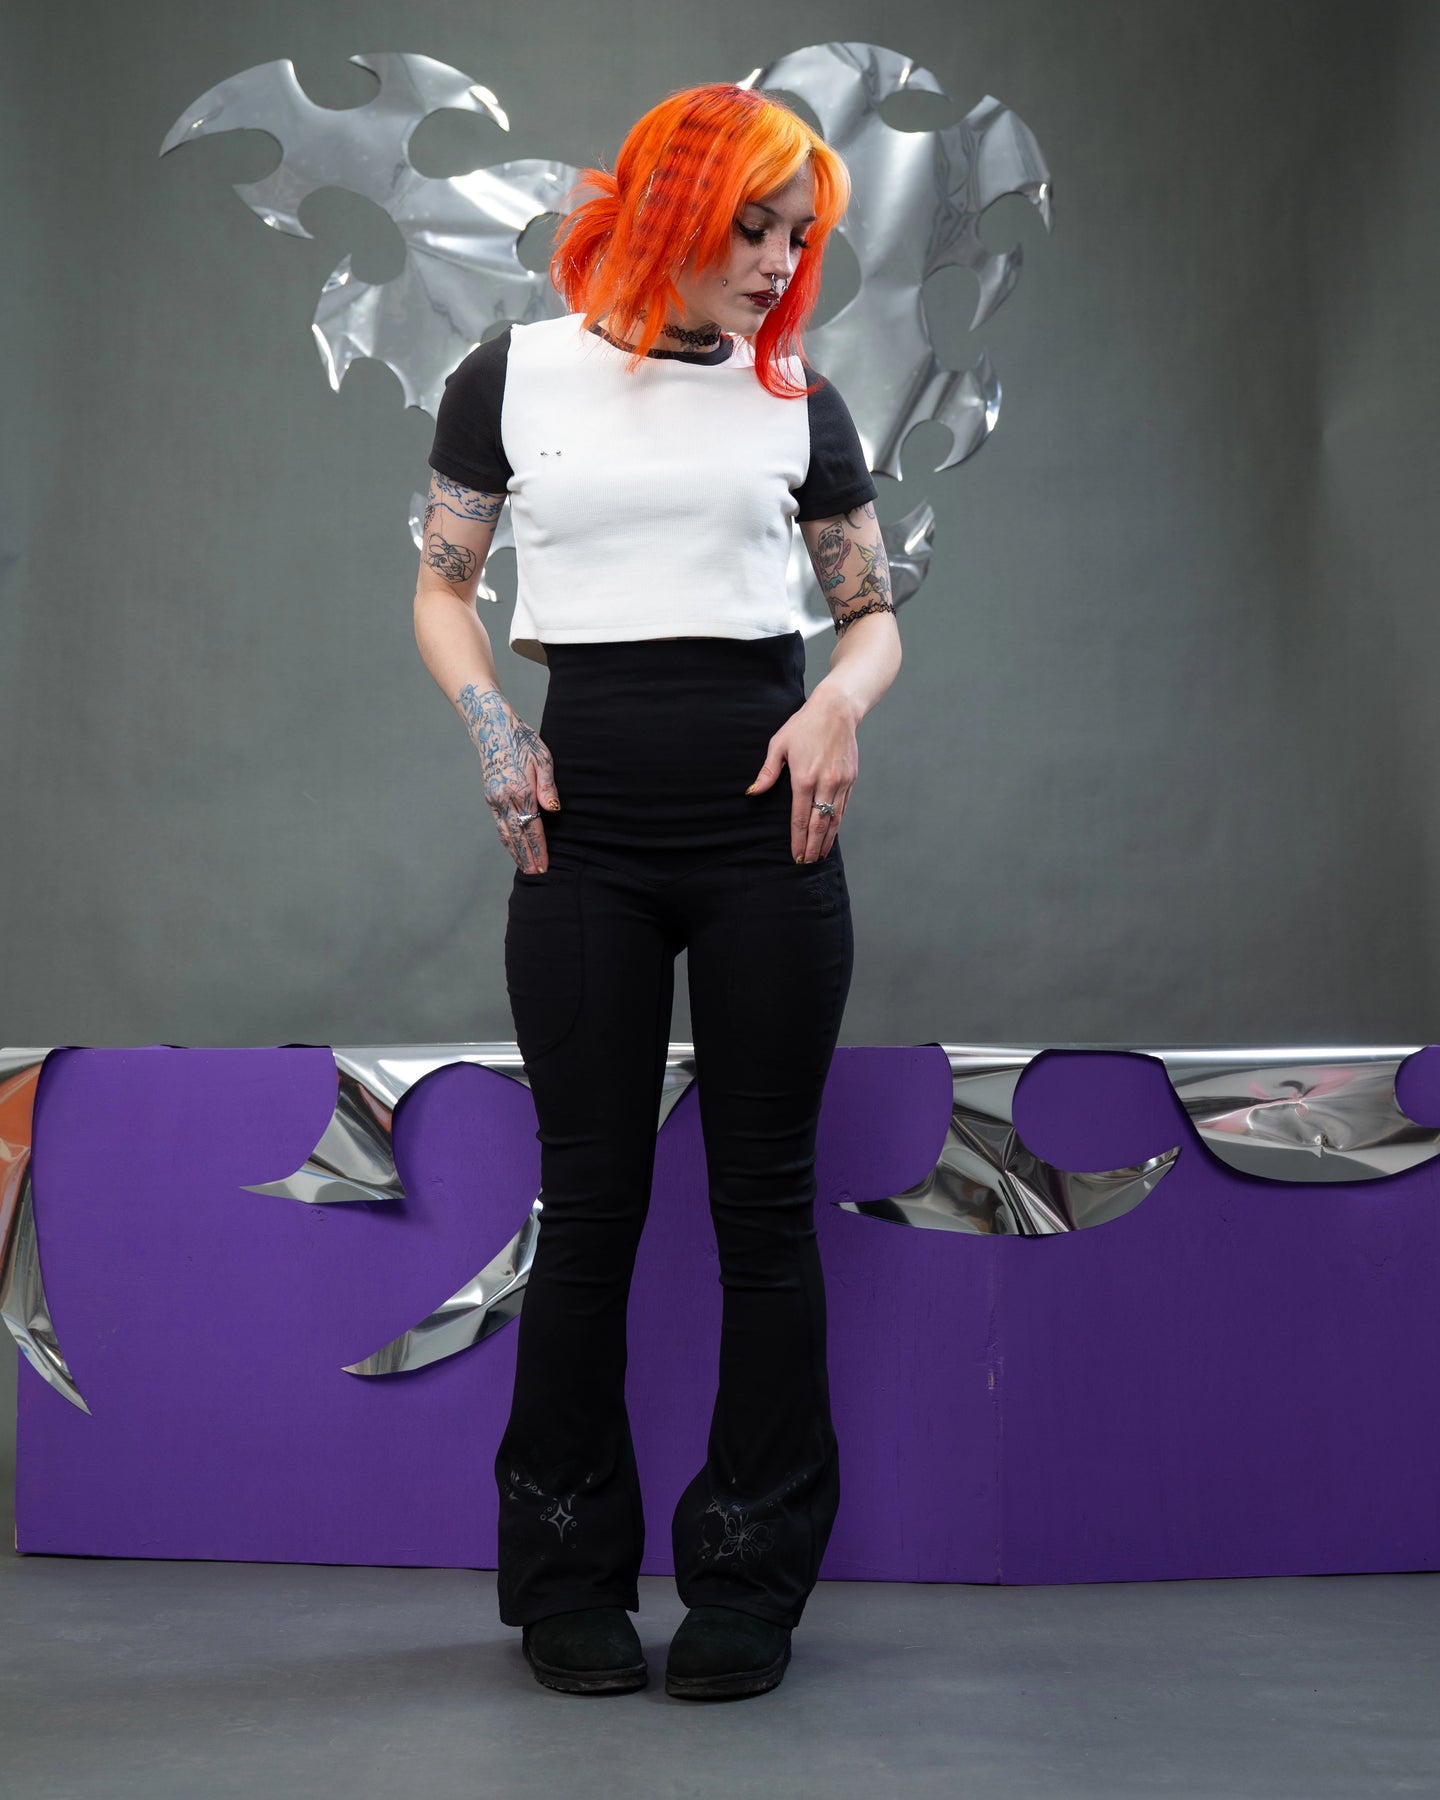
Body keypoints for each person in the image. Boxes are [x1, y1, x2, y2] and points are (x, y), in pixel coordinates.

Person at [413, 82, 901, 1701]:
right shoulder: (513, 377)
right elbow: (442, 588)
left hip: (771, 842)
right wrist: (496, 731)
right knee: (593, 1207)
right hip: (588, 844)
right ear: (673, 213)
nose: (777, 264)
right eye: (751, 229)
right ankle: (567, 1574)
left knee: (763, 1212)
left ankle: (750, 1581)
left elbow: (870, 617)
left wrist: (839, 703)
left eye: (797, 238)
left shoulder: (798, 401)